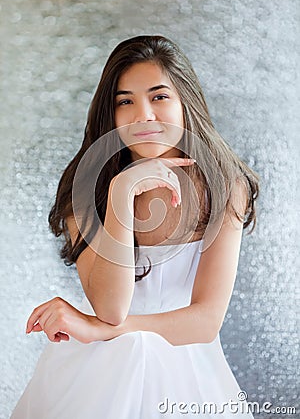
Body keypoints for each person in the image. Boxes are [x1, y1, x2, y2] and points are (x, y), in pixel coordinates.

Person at [11, 35, 259, 418]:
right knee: (126, 356)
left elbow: (205, 322)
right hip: (100, 366)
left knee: (133, 349)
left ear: (185, 103)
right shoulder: (87, 185)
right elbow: (111, 307)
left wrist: (101, 330)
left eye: (159, 97)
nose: (143, 115)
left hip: (187, 367)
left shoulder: (224, 184)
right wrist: (121, 192)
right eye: (125, 101)